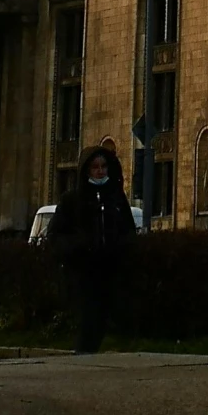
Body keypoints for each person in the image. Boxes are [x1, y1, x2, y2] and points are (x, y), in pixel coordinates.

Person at [48, 143, 137, 353]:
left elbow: (128, 229)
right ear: (87, 170)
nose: (100, 171)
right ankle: (83, 357)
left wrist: (122, 247)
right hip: (83, 273)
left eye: (103, 167)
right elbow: (56, 236)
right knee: (88, 319)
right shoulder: (72, 200)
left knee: (106, 320)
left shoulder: (115, 197)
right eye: (95, 167)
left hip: (111, 270)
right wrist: (79, 244)